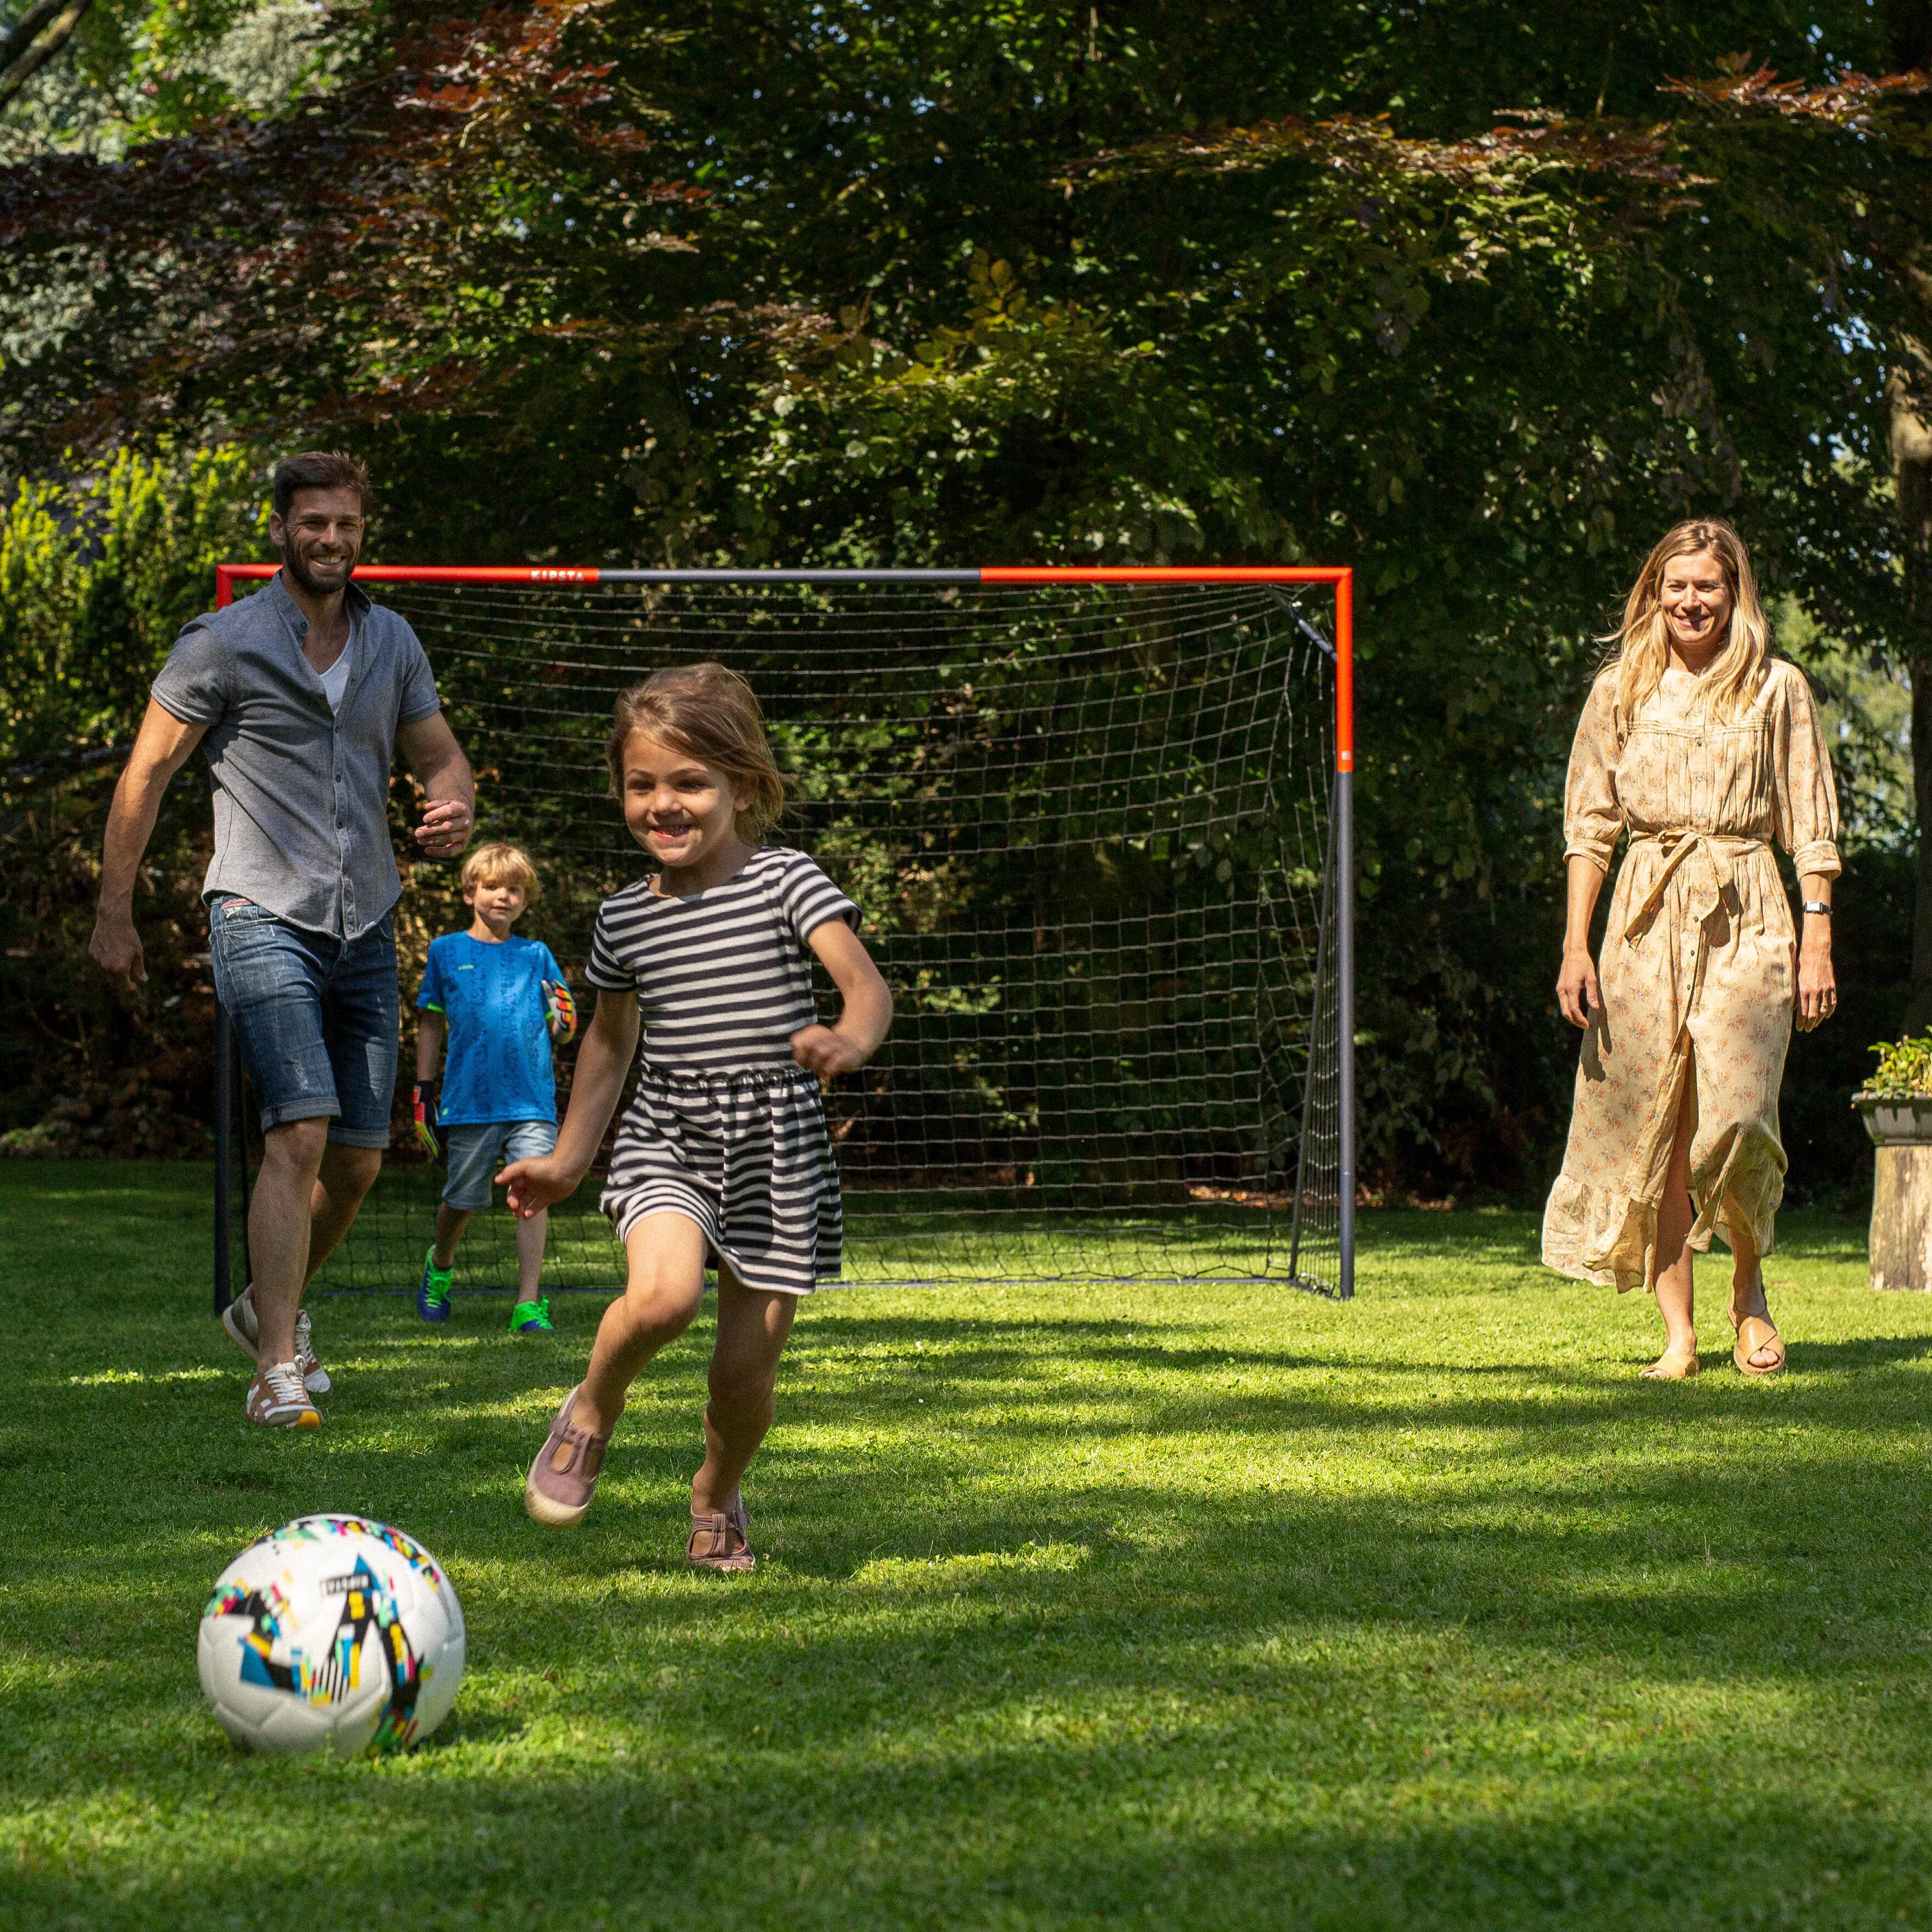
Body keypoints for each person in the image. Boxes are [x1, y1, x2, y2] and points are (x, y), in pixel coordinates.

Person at [88, 450, 475, 1428]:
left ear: (362, 530)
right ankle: (274, 1367)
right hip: (260, 914)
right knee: (297, 1128)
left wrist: (453, 804)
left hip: (368, 917)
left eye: (346, 524)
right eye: (314, 524)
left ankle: (272, 1305)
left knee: (357, 1159)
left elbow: (441, 759)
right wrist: (114, 910)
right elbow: (144, 779)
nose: (332, 540)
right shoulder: (221, 643)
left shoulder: (392, 643)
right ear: (281, 529)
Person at [498, 662, 892, 1569]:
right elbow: (607, 1045)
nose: (663, 804)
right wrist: (565, 1160)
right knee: (664, 1297)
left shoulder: (788, 882)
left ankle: (716, 1493)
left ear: (743, 787)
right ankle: (593, 1404)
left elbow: (866, 989)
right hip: (668, 1138)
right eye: (642, 784)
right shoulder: (624, 921)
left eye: (689, 783)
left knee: (743, 1377)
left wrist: (851, 1038)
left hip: (779, 1156)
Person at [1542, 518, 1839, 1379]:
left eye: (1707, 585)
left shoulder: (1777, 688)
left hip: (1750, 909)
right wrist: (1575, 945)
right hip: (1642, 917)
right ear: (1654, 592)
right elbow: (1589, 828)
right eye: (1676, 585)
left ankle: (1749, 1288)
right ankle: (1681, 1337)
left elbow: (1812, 828)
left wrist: (1818, 938)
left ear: (1734, 592)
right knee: (1657, 1130)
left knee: (1737, 1118)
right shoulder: (1622, 688)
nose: (1691, 600)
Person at [413, 841, 576, 1335]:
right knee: (462, 1200)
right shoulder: (445, 952)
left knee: (533, 1196)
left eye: (515, 890)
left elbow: (563, 1028)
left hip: (531, 1100)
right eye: (491, 887)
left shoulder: (537, 955)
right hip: (469, 1101)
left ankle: (528, 1303)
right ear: (470, 893)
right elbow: (430, 1023)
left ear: (526, 901)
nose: (502, 897)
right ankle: (440, 1264)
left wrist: (565, 1020)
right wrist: (423, 1091)